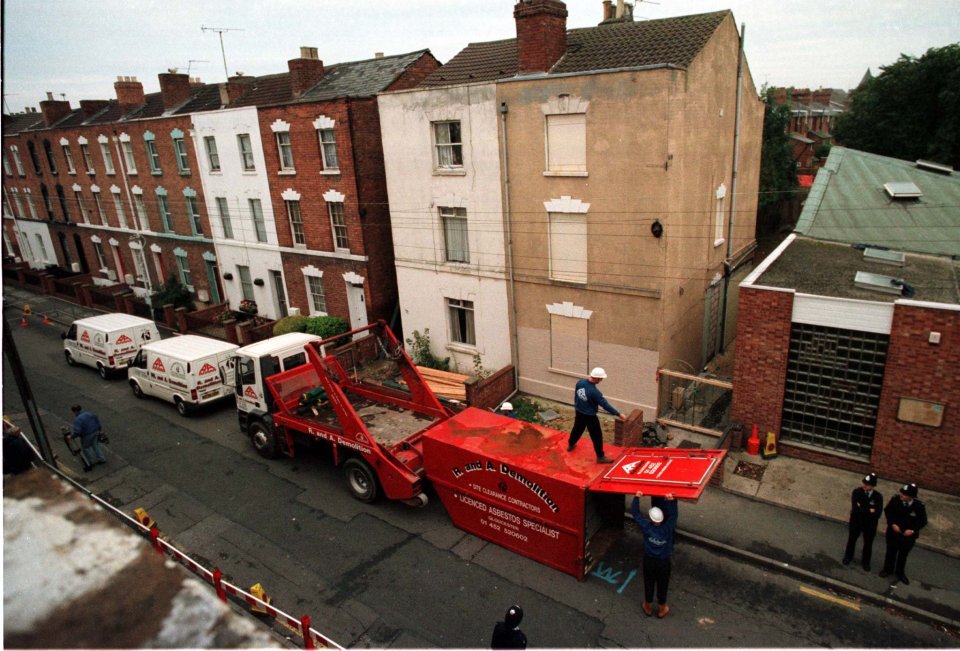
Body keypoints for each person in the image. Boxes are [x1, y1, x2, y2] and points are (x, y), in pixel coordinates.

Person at [631, 491, 678, 619]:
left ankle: (648, 606)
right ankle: (662, 608)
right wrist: (671, 501)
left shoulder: (647, 527)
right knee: (663, 584)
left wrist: (637, 498)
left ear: (651, 518)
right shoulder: (667, 528)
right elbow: (674, 515)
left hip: (649, 560)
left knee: (649, 582)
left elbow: (635, 513)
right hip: (663, 562)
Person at [566, 367, 626, 463]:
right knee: (596, 435)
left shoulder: (580, 382)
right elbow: (605, 405)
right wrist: (618, 414)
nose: (601, 380)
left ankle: (571, 444)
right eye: (601, 379)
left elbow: (576, 396)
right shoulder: (595, 392)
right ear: (597, 378)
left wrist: (577, 405)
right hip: (590, 416)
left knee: (577, 428)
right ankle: (600, 457)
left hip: (579, 411)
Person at [879, 482, 927, 585]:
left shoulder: (918, 507)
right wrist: (892, 524)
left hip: (907, 537)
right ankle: (887, 569)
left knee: (903, 555)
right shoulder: (895, 500)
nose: (901, 495)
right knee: (890, 552)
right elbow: (888, 511)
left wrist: (913, 530)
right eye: (902, 493)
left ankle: (900, 573)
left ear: (910, 497)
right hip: (894, 533)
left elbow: (923, 521)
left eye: (904, 494)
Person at [842, 472, 883, 570]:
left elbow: (878, 513)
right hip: (856, 521)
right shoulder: (857, 492)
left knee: (868, 543)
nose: (864, 485)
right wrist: (869, 510)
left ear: (873, 486)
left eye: (867, 484)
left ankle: (866, 562)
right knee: (852, 540)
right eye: (864, 483)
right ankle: (848, 557)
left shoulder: (878, 497)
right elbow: (855, 510)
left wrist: (863, 508)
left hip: (870, 525)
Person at [71, 404, 106, 470]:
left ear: (75, 411)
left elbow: (78, 431)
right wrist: (99, 430)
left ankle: (91, 462)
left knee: (86, 448)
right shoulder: (89, 413)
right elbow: (97, 421)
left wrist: (72, 436)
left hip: (87, 435)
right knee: (95, 445)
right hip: (96, 431)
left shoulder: (78, 419)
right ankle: (102, 459)